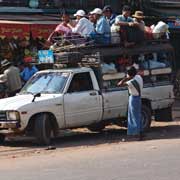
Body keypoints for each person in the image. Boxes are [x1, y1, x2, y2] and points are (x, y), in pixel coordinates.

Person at [117, 66, 144, 140]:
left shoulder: (131, 82)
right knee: (138, 115)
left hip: (133, 98)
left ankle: (136, 134)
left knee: (133, 117)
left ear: (129, 74)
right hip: (139, 97)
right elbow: (135, 76)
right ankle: (141, 132)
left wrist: (126, 78)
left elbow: (119, 84)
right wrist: (129, 76)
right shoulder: (138, 77)